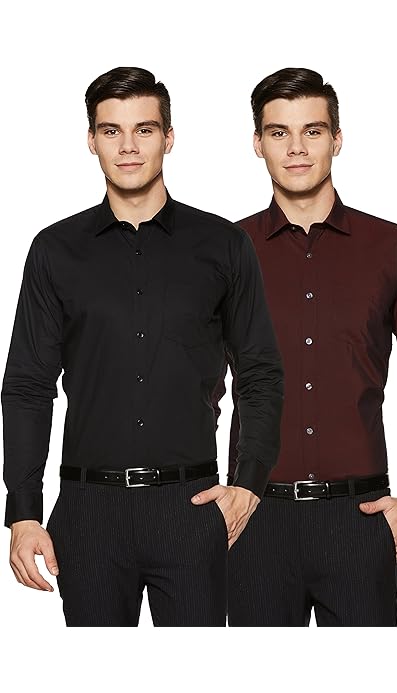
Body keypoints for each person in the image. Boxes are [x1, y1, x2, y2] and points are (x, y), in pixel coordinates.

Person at [1, 66, 283, 627]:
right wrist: (24, 511)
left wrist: (249, 483)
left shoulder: (224, 246)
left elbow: (259, 374)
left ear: (169, 137)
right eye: (111, 131)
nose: (128, 146)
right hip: (88, 513)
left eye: (144, 129)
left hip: (192, 507)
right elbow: (28, 386)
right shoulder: (55, 250)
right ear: (91, 140)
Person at [210, 67, 397, 626]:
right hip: (255, 521)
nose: (296, 148)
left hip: (360, 519)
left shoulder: (395, 249)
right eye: (279, 132)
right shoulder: (223, 252)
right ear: (258, 143)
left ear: (337, 139)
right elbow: (189, 385)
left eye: (313, 131)